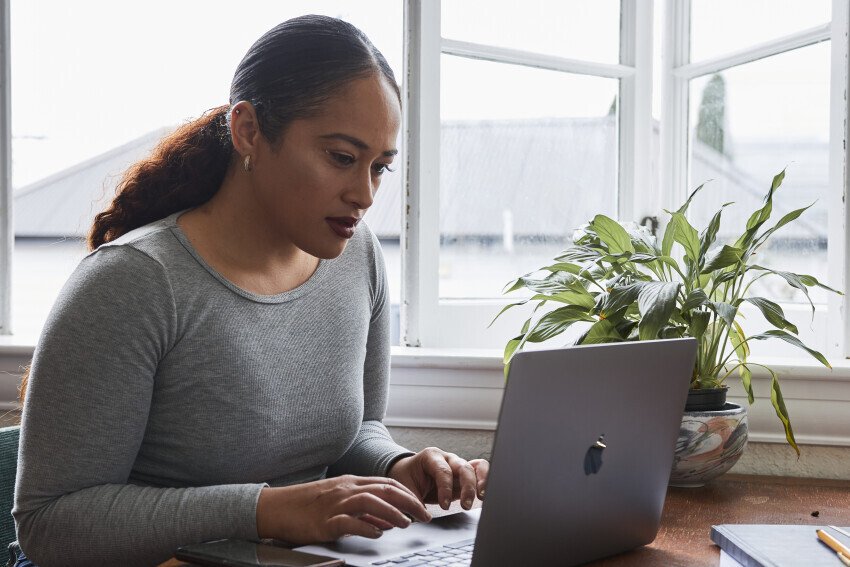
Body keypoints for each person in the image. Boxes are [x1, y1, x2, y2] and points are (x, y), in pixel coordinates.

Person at [12, 15, 488, 567]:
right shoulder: (133, 284)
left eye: (379, 166)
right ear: (249, 131)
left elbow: (356, 429)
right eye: (341, 157)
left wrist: (396, 466)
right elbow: (50, 526)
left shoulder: (358, 259)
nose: (364, 194)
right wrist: (265, 510)